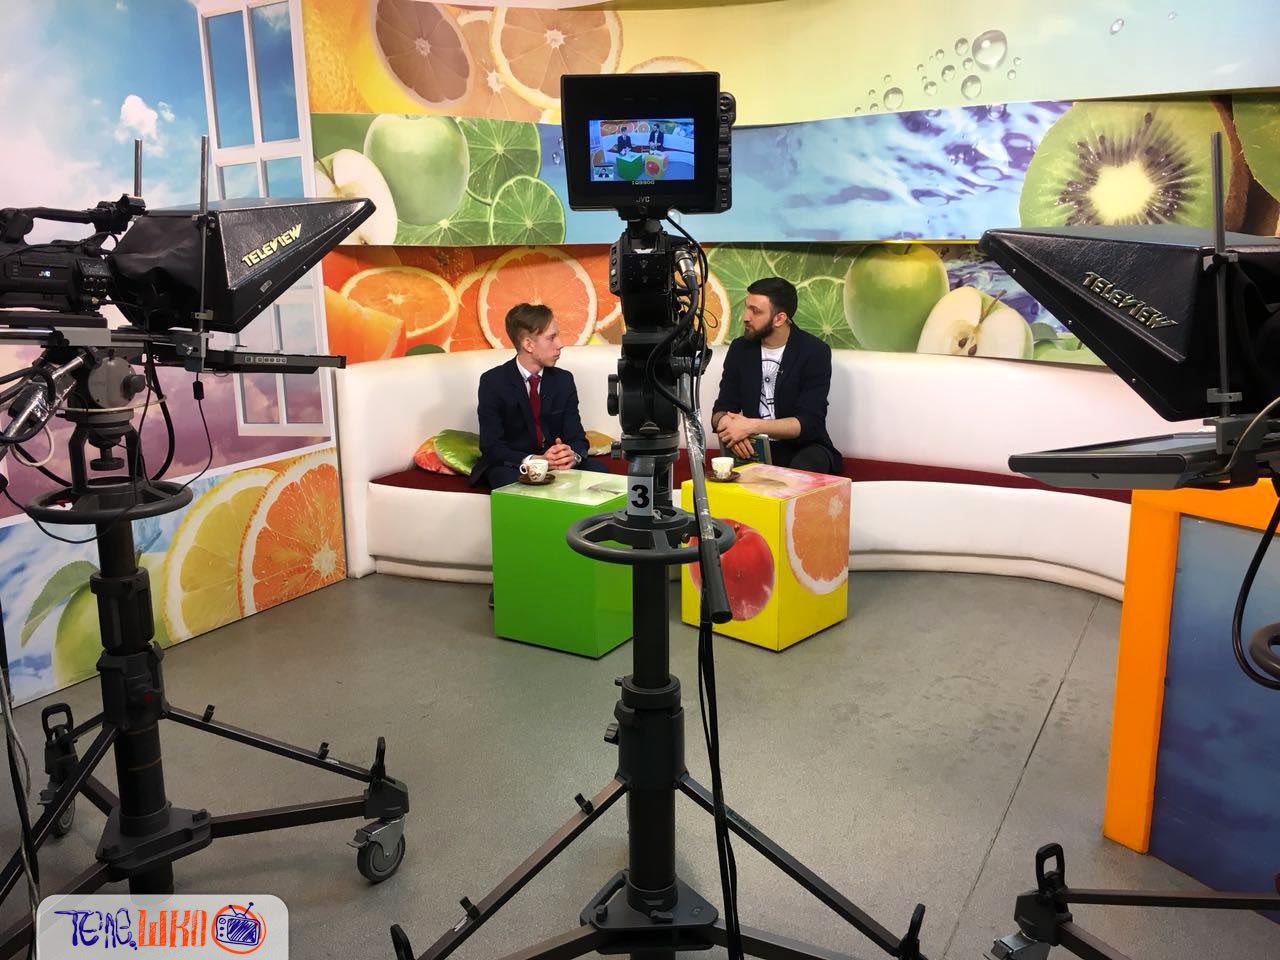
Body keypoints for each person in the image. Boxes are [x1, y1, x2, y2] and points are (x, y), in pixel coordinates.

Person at [711, 277, 842, 474]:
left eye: (755, 311)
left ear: (780, 318)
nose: (745, 317)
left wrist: (751, 426)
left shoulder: (814, 351)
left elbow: (808, 423)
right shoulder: (740, 349)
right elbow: (721, 410)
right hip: (755, 447)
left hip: (804, 447)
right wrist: (729, 427)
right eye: (747, 307)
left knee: (803, 468)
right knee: (722, 473)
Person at [471, 302, 608, 488]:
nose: (560, 344)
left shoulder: (564, 380)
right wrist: (536, 460)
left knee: (600, 472)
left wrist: (571, 455)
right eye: (551, 338)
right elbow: (492, 446)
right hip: (516, 464)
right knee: (506, 480)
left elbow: (577, 437)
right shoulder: (493, 382)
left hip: (556, 463)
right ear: (528, 344)